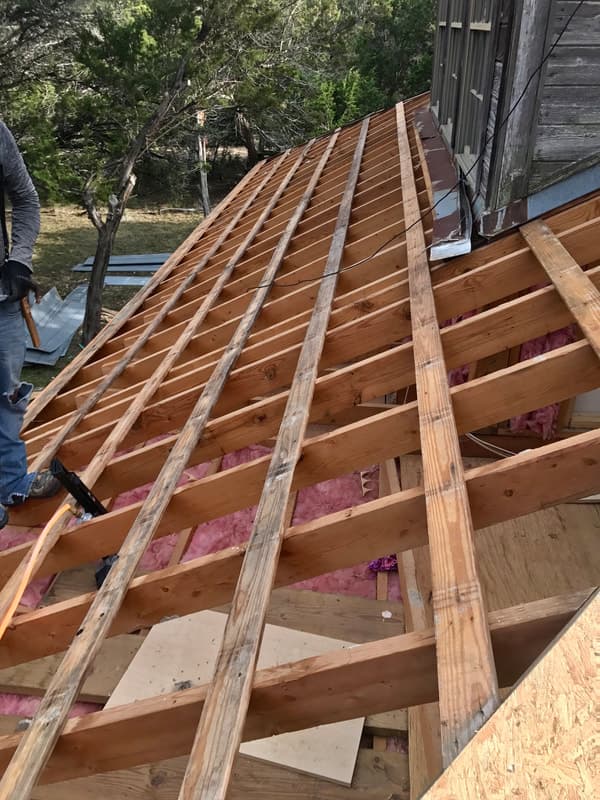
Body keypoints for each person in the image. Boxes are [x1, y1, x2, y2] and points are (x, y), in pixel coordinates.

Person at [0, 121, 60, 528]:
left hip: (1, 298)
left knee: (8, 395)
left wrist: (19, 258)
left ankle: (10, 481)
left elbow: (26, 199)